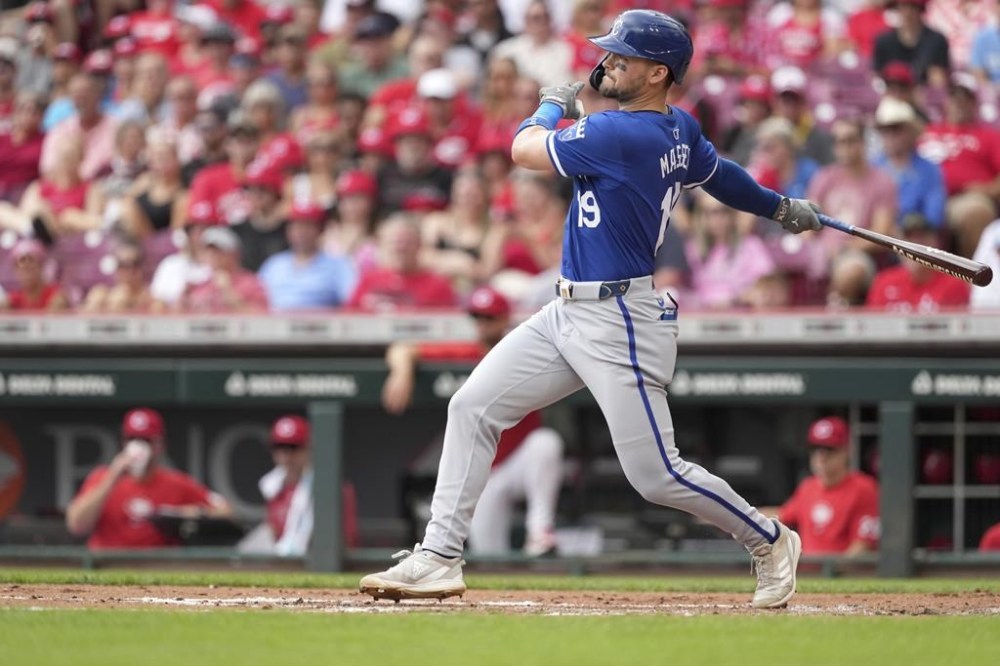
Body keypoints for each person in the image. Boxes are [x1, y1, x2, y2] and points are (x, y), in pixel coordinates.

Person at [360, 9, 820, 609]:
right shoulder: (675, 127)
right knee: (472, 406)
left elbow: (523, 149)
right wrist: (778, 206)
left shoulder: (621, 134)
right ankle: (439, 556)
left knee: (656, 475)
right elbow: (720, 174)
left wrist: (549, 105)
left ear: (659, 73)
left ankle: (770, 537)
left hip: (619, 320)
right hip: (566, 310)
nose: (607, 62)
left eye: (623, 57)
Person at [382, 286, 564, 556]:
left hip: (521, 459)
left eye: (489, 317)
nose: (482, 324)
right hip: (487, 471)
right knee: (490, 554)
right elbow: (402, 349)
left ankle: (540, 531)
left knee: (545, 443)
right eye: (477, 317)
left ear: (504, 319)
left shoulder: (524, 351)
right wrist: (402, 371)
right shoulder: (469, 352)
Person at [65, 407, 232, 549]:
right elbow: (76, 525)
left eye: (146, 440)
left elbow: (225, 511)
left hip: (156, 570)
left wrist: (182, 513)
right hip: (107, 567)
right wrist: (112, 478)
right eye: (132, 439)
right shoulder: (102, 477)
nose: (138, 446)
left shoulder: (176, 482)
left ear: (160, 445)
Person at [774, 417, 880, 556]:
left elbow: (861, 547)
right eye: (815, 449)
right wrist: (742, 517)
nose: (821, 457)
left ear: (846, 451)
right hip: (809, 574)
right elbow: (782, 515)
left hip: (846, 575)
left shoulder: (864, 488)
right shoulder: (808, 486)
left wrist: (829, 574)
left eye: (829, 449)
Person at [258, 201, 357, 311]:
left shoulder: (338, 264)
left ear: (320, 230)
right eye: (296, 226)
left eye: (308, 226)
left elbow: (352, 303)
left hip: (322, 325)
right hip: (274, 325)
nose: (301, 232)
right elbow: (257, 301)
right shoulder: (274, 264)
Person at [865, 212, 971, 311]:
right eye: (909, 239)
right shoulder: (884, 282)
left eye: (922, 238)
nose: (915, 247)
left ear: (936, 243)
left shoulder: (954, 284)